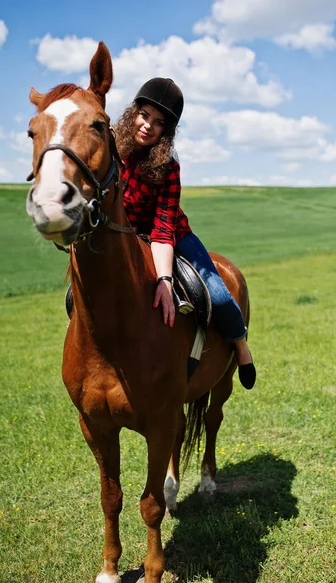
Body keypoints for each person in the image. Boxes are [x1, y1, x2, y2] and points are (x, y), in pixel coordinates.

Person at [114, 78, 256, 390]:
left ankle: (240, 346)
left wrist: (164, 280)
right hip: (124, 238)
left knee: (218, 294)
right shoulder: (111, 148)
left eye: (159, 122)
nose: (148, 126)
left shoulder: (168, 166)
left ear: (168, 130)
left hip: (171, 237)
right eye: (144, 115)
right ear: (133, 113)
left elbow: (163, 228)